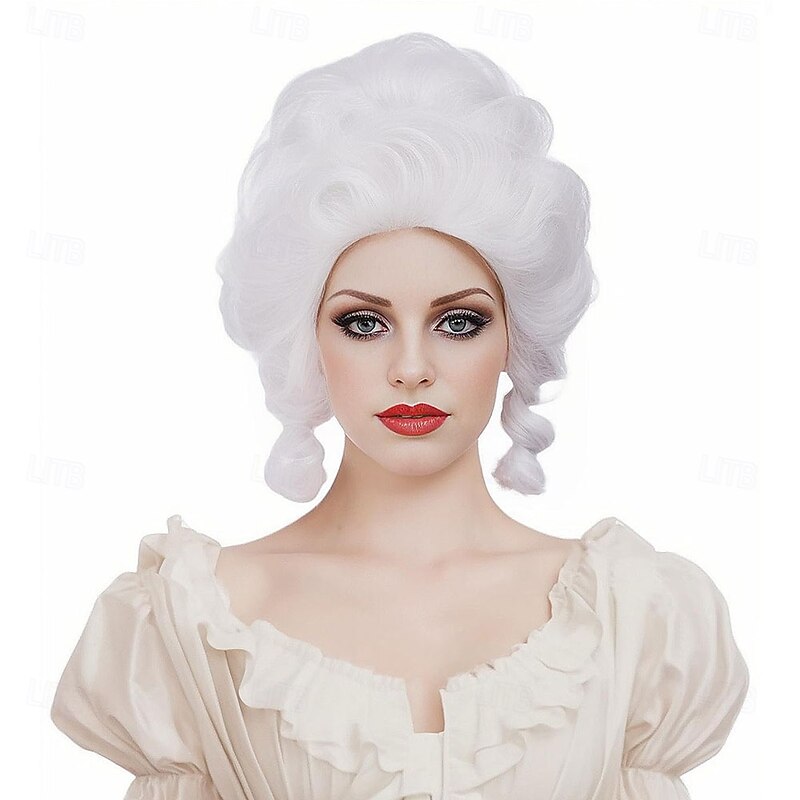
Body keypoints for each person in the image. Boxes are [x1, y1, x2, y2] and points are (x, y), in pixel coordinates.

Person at [50, 32, 749, 800]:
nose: (411, 367)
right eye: (363, 322)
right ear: (306, 341)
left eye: (459, 322)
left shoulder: (634, 621)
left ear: (516, 338)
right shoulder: (193, 626)